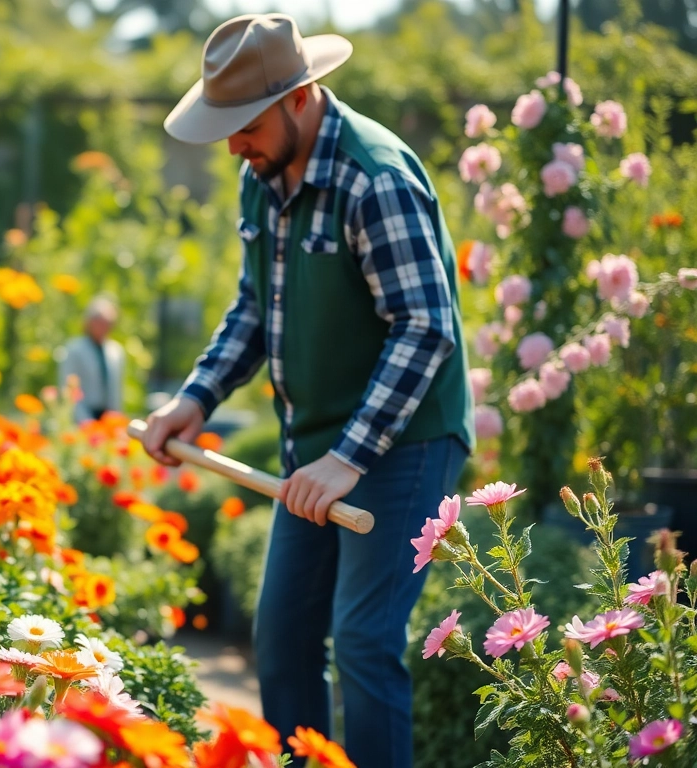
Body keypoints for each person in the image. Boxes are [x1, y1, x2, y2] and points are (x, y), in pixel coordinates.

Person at [138, 14, 474, 768]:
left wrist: (347, 460)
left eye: (245, 124)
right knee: (282, 640)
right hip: (318, 447)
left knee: (363, 640)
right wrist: (194, 400)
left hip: (405, 443)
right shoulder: (262, 173)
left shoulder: (375, 177)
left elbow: (425, 328)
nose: (233, 144)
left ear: (300, 98)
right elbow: (256, 306)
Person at [58, 296, 125, 424]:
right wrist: (84, 421)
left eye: (108, 323)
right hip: (83, 417)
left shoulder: (116, 351)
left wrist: (116, 419)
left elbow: (116, 391)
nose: (104, 327)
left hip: (107, 417)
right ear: (89, 322)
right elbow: (69, 389)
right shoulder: (74, 350)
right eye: (99, 322)